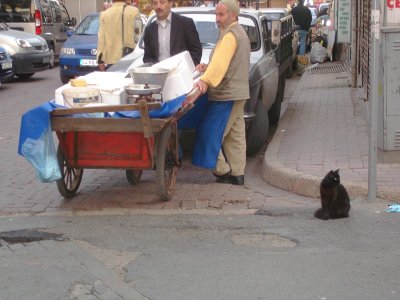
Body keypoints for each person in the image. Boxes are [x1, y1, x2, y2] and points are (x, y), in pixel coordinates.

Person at [193, 0, 250, 186]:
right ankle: (237, 173)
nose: (217, 19)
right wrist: (207, 67)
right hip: (238, 92)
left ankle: (223, 170)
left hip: (227, 94)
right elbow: (226, 64)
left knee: (211, 133)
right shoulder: (237, 33)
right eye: (216, 14)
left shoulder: (230, 36)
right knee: (235, 135)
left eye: (221, 15)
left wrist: (205, 80)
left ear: (233, 15)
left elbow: (220, 65)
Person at [142, 0, 202, 66]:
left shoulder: (185, 24)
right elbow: (147, 57)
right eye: (155, 3)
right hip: (158, 74)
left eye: (162, 2)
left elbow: (196, 51)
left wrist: (188, 69)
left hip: (181, 73)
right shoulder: (149, 29)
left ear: (170, 3)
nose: (158, 6)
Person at [97, 0, 140, 71]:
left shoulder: (104, 14)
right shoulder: (134, 11)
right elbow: (138, 35)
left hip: (112, 60)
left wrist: (100, 60)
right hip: (130, 58)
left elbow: (101, 39)